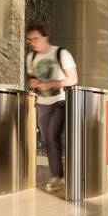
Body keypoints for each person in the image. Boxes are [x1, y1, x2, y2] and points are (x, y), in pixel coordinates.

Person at [25, 24, 78, 192]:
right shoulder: (31, 57)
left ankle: (59, 176)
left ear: (45, 37)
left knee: (53, 136)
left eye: (36, 38)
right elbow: (32, 79)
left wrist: (51, 84)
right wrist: (34, 83)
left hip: (60, 101)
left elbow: (73, 79)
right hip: (42, 104)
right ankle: (57, 175)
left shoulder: (61, 53)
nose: (33, 42)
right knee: (48, 140)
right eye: (30, 40)